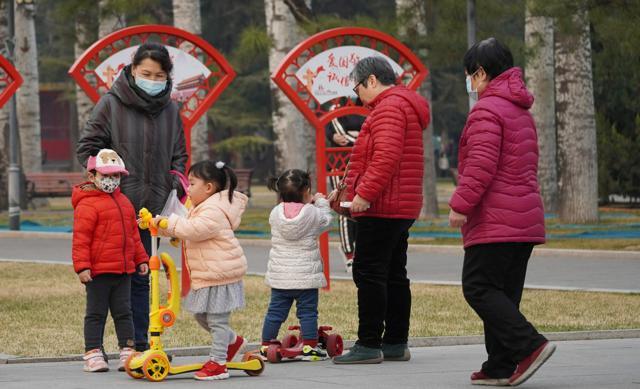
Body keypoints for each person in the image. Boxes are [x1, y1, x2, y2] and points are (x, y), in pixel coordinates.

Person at [448, 37, 554, 387]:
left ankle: (530, 346)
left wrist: (461, 206)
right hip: (523, 218)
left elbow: (480, 166)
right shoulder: (519, 108)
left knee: (478, 287)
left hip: (496, 219)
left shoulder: (487, 109)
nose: (470, 83)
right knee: (503, 293)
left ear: (480, 73)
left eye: (470, 75)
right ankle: (499, 365)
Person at [77, 42, 188, 352]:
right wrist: (107, 179)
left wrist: (174, 185)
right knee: (121, 280)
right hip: (118, 208)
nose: (152, 79)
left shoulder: (170, 109)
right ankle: (114, 345)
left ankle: (139, 343)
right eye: (146, 73)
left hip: (154, 211)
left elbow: (179, 155)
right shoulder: (111, 104)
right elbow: (86, 148)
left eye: (159, 75)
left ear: (168, 77)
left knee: (145, 275)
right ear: (132, 70)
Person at [331, 56, 430, 364]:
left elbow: (385, 157)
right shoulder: (401, 105)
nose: (357, 94)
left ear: (371, 80)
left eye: (358, 86)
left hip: (383, 204)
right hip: (400, 204)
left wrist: (363, 194)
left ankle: (369, 343)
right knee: (393, 273)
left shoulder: (388, 108)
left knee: (369, 271)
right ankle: (396, 342)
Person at [155, 160, 247, 381]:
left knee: (216, 321)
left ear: (208, 188)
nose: (188, 189)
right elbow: (184, 229)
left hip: (220, 275)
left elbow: (194, 230)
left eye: (192, 183)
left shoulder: (213, 210)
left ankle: (218, 363)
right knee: (201, 316)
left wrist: (169, 224)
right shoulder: (200, 207)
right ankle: (233, 342)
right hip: (209, 274)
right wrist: (160, 226)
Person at [71, 149, 149, 372]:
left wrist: (141, 259)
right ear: (92, 176)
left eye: (115, 176)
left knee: (125, 312)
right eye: (105, 176)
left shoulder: (124, 202)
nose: (111, 181)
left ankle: (127, 350)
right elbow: (81, 239)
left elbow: (133, 235)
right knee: (96, 313)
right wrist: (82, 266)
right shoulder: (87, 204)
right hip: (98, 272)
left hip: (123, 271)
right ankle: (93, 352)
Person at [260, 169, 332, 361]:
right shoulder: (312, 212)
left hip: (281, 277)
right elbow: (327, 221)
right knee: (307, 313)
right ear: (306, 190)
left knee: (275, 313)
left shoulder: (275, 213)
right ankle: (309, 347)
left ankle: (266, 344)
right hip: (305, 278)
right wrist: (321, 202)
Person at [325, 109, 365, 272]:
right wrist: (360, 136)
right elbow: (339, 135)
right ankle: (349, 252)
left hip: (364, 164)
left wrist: (356, 137)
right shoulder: (335, 106)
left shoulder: (370, 104)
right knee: (344, 206)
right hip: (340, 164)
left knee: (364, 207)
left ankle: (361, 252)